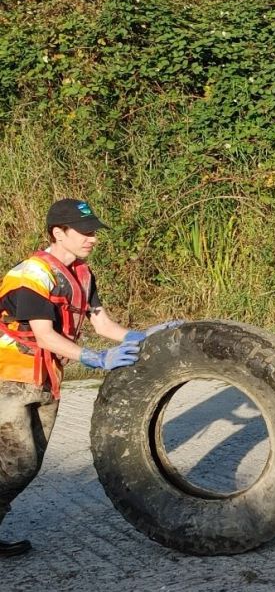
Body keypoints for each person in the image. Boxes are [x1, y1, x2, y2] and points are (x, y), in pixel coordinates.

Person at [0, 199, 175, 557]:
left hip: (46, 378)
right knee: (17, 463)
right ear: (58, 232)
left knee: (26, 466)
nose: (93, 238)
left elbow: (102, 324)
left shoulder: (81, 274)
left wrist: (144, 336)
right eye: (85, 232)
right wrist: (96, 358)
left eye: (94, 231)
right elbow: (45, 335)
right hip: (9, 378)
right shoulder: (31, 274)